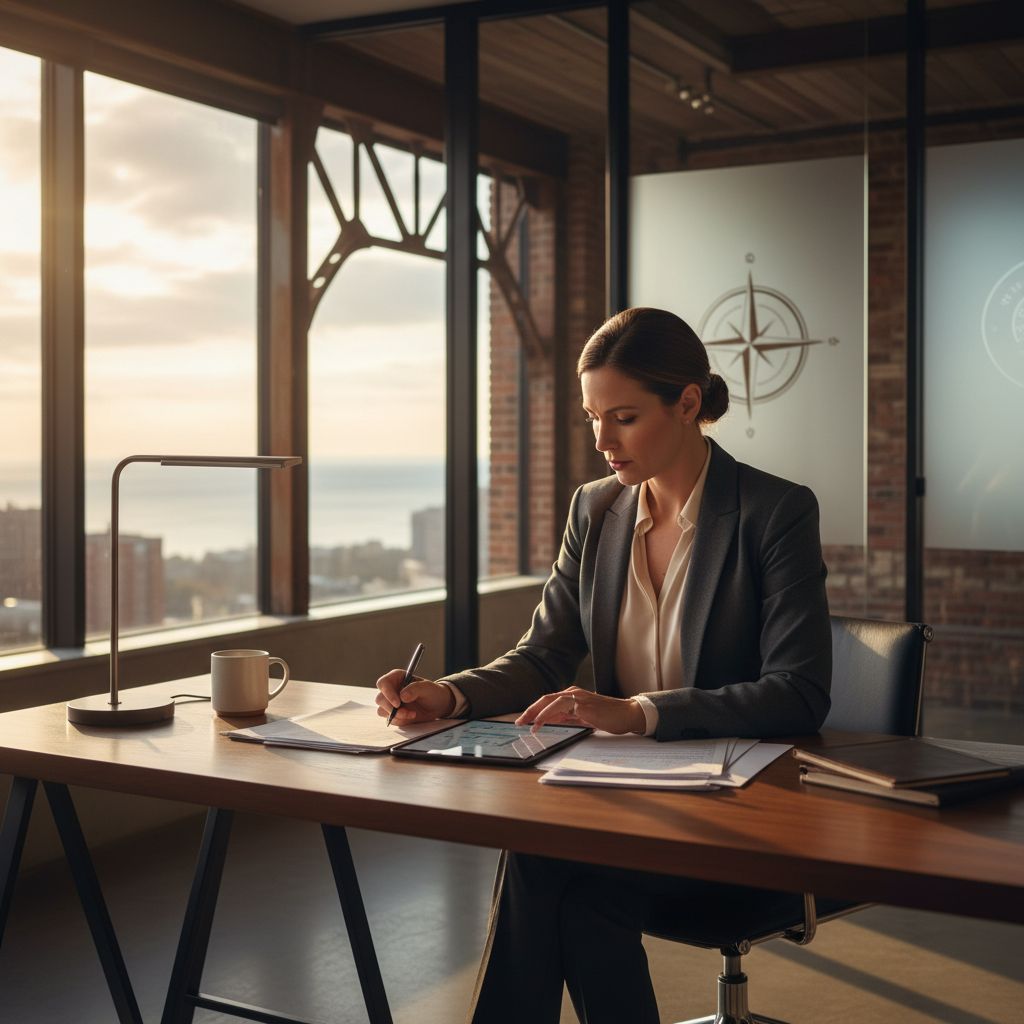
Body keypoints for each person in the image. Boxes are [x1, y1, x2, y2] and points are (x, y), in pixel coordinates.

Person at [375, 307, 832, 1024]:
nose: (600, 442)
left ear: (687, 403)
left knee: (547, 866)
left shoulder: (772, 513)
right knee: (563, 876)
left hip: (735, 815)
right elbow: (546, 652)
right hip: (622, 804)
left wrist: (638, 712)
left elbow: (799, 694)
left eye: (622, 417)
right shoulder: (596, 509)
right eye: (592, 417)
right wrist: (449, 695)